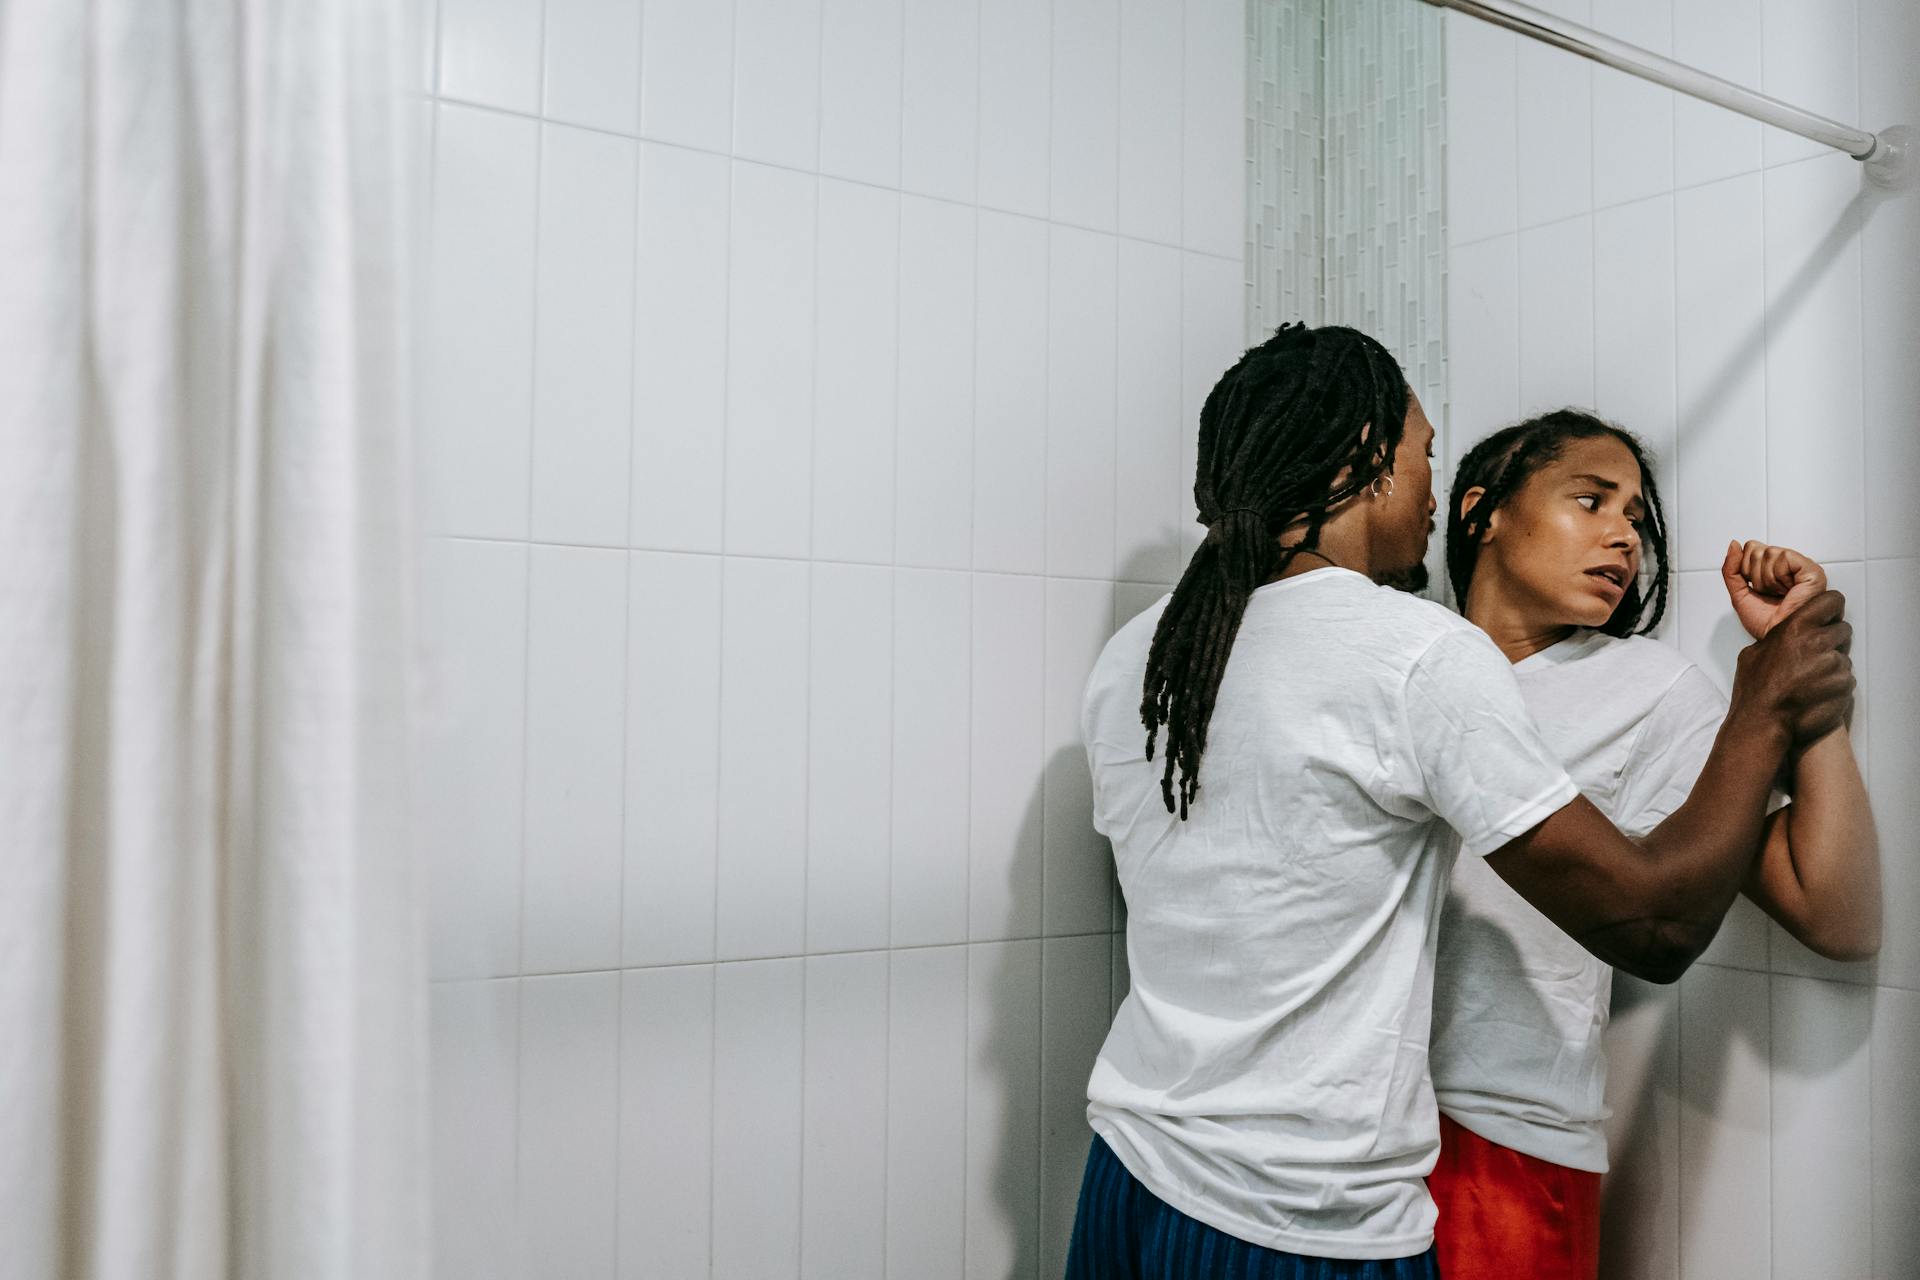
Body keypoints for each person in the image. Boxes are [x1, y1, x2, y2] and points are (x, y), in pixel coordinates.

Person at [1063, 324, 1853, 1278]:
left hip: (1130, 1169)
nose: (1433, 494)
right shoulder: (1414, 652)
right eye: (1423, 454)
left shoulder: (1141, 657)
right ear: (1366, 459)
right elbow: (1658, 926)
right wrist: (1765, 701)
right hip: (1297, 1214)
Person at [1425, 409, 1881, 1280]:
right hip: (1353, 1127)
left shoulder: (1646, 691)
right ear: (1482, 511)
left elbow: (1836, 913)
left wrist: (1800, 684)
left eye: (1635, 518)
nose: (1622, 537)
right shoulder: (1407, 656)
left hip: (1508, 1138)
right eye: (1591, 500)